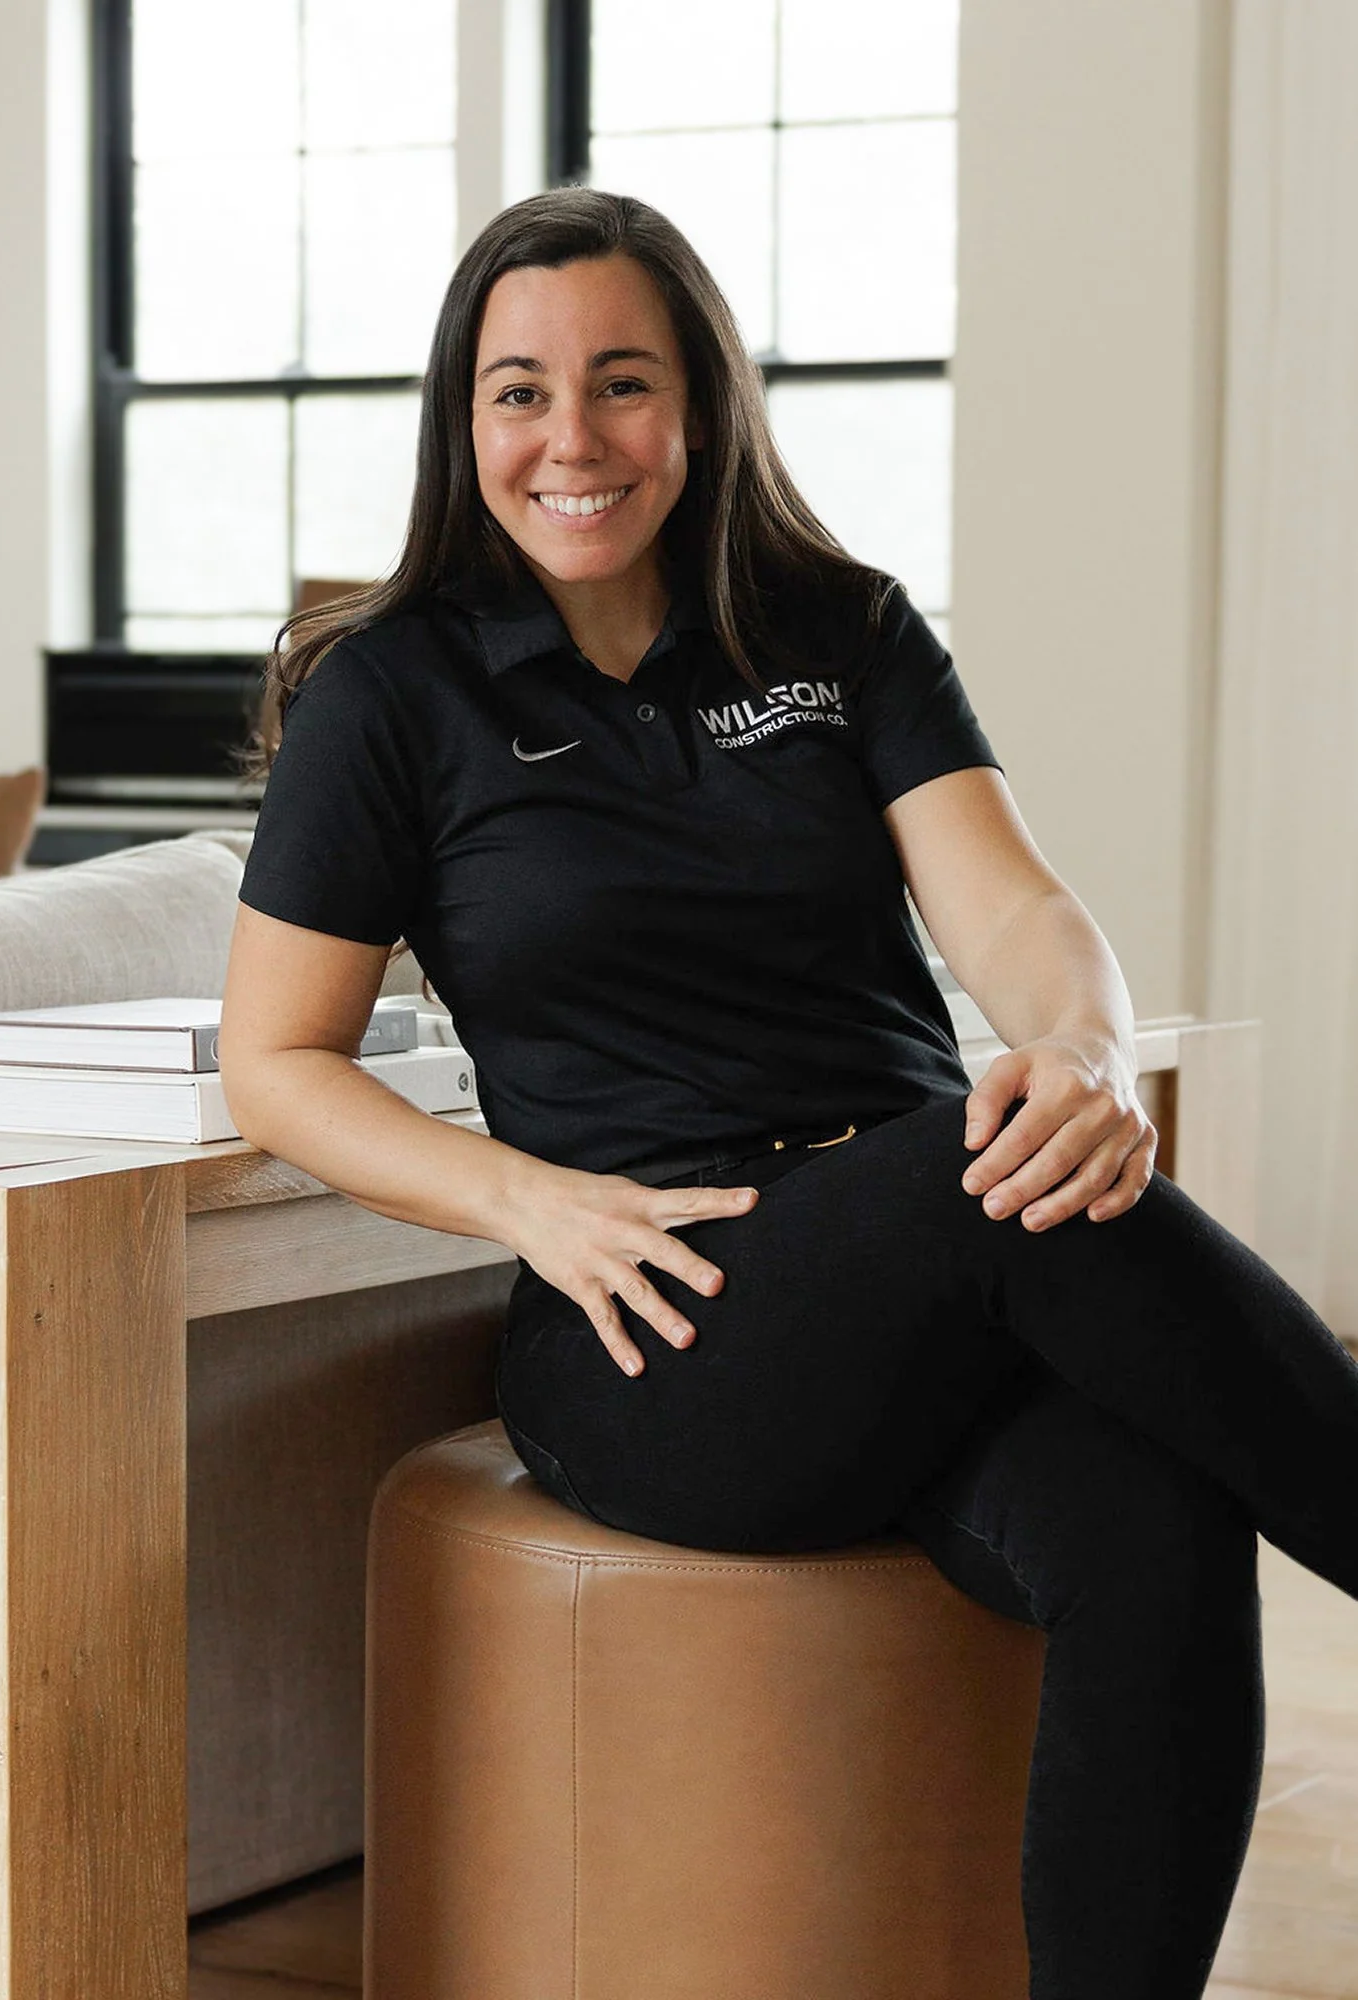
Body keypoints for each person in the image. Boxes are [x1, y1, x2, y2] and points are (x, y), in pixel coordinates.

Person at [219, 187, 1358, 1999]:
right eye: (518, 393)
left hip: (935, 1266)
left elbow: (1020, 914)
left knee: (1156, 1521)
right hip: (659, 1319)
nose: (571, 440)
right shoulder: (394, 693)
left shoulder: (840, 629)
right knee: (974, 1185)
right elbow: (275, 1060)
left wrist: (1076, 1048)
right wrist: (527, 1197)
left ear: (702, 405)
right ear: (465, 424)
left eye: (621, 383)